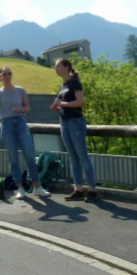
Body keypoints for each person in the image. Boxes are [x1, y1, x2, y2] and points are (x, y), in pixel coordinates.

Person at [0, 67, 51, 200]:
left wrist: (20, 109)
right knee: (13, 157)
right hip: (6, 123)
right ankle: (20, 187)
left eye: (10, 73)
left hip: (20, 122)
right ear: (0, 76)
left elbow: (28, 108)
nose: (8, 76)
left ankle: (37, 186)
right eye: (4, 74)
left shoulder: (20, 90)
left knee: (29, 154)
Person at [51, 58, 98, 202]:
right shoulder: (63, 85)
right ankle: (78, 189)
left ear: (66, 67)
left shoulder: (74, 82)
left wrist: (63, 103)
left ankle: (92, 190)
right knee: (73, 158)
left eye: (58, 66)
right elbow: (61, 103)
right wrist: (57, 105)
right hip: (64, 122)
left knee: (82, 156)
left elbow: (80, 102)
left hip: (75, 122)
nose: (56, 69)